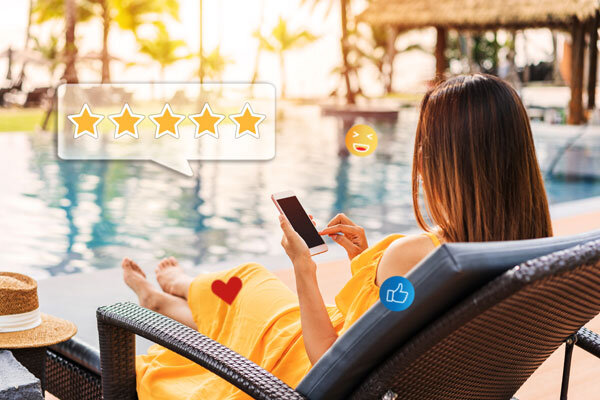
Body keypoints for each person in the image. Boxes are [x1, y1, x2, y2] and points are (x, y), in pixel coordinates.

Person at [122, 74, 553, 399]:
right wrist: (366, 264)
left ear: (444, 161)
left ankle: (173, 293)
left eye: (425, 147)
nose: (418, 158)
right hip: (390, 369)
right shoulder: (533, 249)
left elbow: (327, 360)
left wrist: (303, 267)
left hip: (319, 373)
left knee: (251, 283)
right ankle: (172, 296)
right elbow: (401, 315)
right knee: (249, 302)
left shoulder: (413, 257)